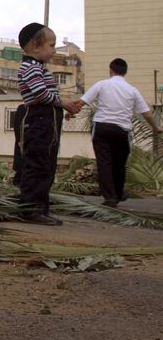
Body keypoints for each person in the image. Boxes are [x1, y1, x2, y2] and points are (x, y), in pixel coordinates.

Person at [15, 22, 82, 225]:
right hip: (40, 120)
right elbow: (41, 94)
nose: (54, 50)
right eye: (51, 45)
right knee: (38, 163)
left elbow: (47, 94)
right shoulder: (30, 68)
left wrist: (65, 107)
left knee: (47, 165)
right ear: (36, 46)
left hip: (48, 119)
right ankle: (29, 210)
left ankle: (40, 208)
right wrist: (63, 102)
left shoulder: (39, 68)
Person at [77, 58, 162, 207]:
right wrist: (156, 128)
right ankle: (119, 192)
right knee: (119, 163)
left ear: (111, 70)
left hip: (102, 127)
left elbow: (81, 102)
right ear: (125, 72)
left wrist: (70, 112)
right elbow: (147, 114)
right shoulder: (132, 90)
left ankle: (110, 197)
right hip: (122, 130)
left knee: (104, 163)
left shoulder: (101, 85)